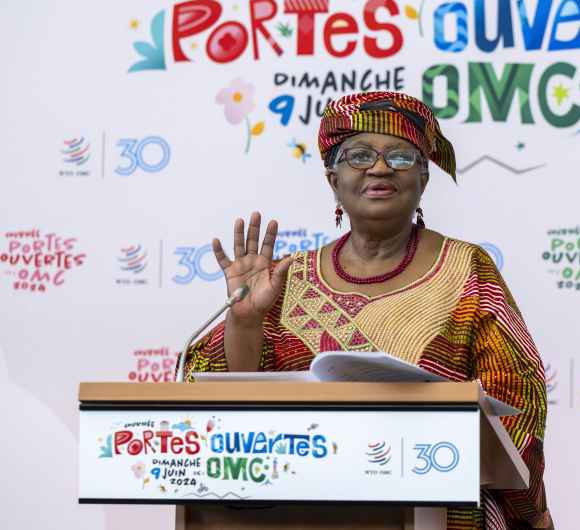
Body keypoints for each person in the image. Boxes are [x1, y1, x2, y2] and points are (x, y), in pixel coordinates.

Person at [186, 91, 552, 530]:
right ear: (332, 179)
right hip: (297, 511)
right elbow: (225, 415)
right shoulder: (283, 278)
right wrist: (244, 321)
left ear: (423, 176)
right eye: (359, 155)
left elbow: (518, 401)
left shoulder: (466, 269)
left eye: (399, 157)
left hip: (440, 508)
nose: (379, 168)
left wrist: (528, 508)